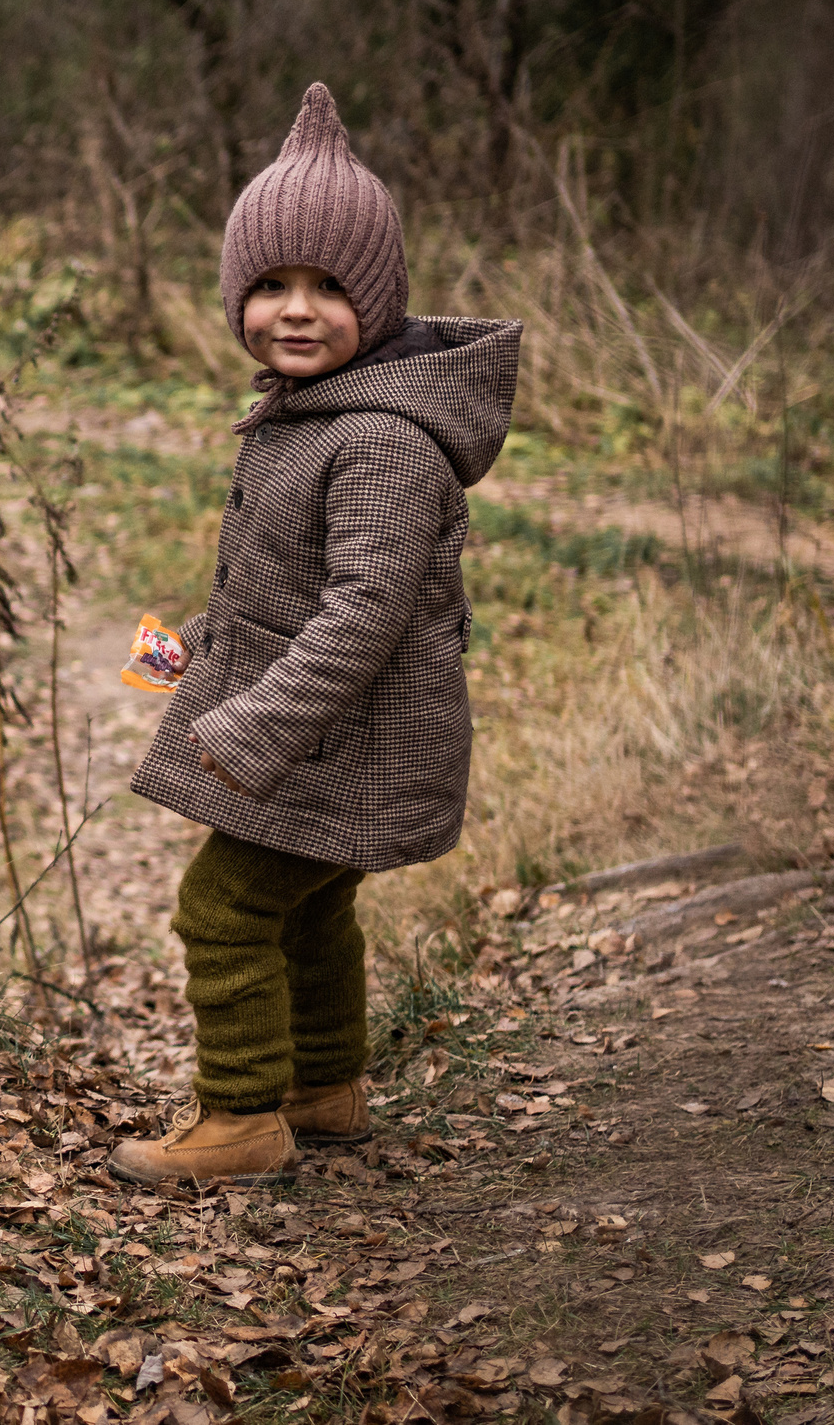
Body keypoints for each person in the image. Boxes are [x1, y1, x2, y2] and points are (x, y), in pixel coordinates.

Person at [115, 83, 523, 1185]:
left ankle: (241, 1120)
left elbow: (361, 613)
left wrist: (252, 730)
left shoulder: (382, 441)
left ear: (379, 305)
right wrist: (182, 654)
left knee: (223, 906)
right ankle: (324, 1087)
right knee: (313, 910)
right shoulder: (308, 417)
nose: (295, 309)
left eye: (329, 288)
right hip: (325, 739)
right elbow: (277, 589)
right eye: (270, 285)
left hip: (338, 741)